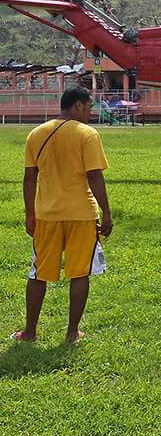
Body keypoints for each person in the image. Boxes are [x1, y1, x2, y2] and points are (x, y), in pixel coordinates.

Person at [13, 86, 112, 344]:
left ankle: (30, 332)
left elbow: (29, 178)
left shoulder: (36, 134)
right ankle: (71, 333)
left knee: (38, 273)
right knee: (80, 274)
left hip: (46, 214)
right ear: (77, 105)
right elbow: (94, 176)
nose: (91, 112)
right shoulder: (87, 134)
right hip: (82, 214)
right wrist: (107, 213)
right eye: (89, 107)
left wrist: (30, 213)